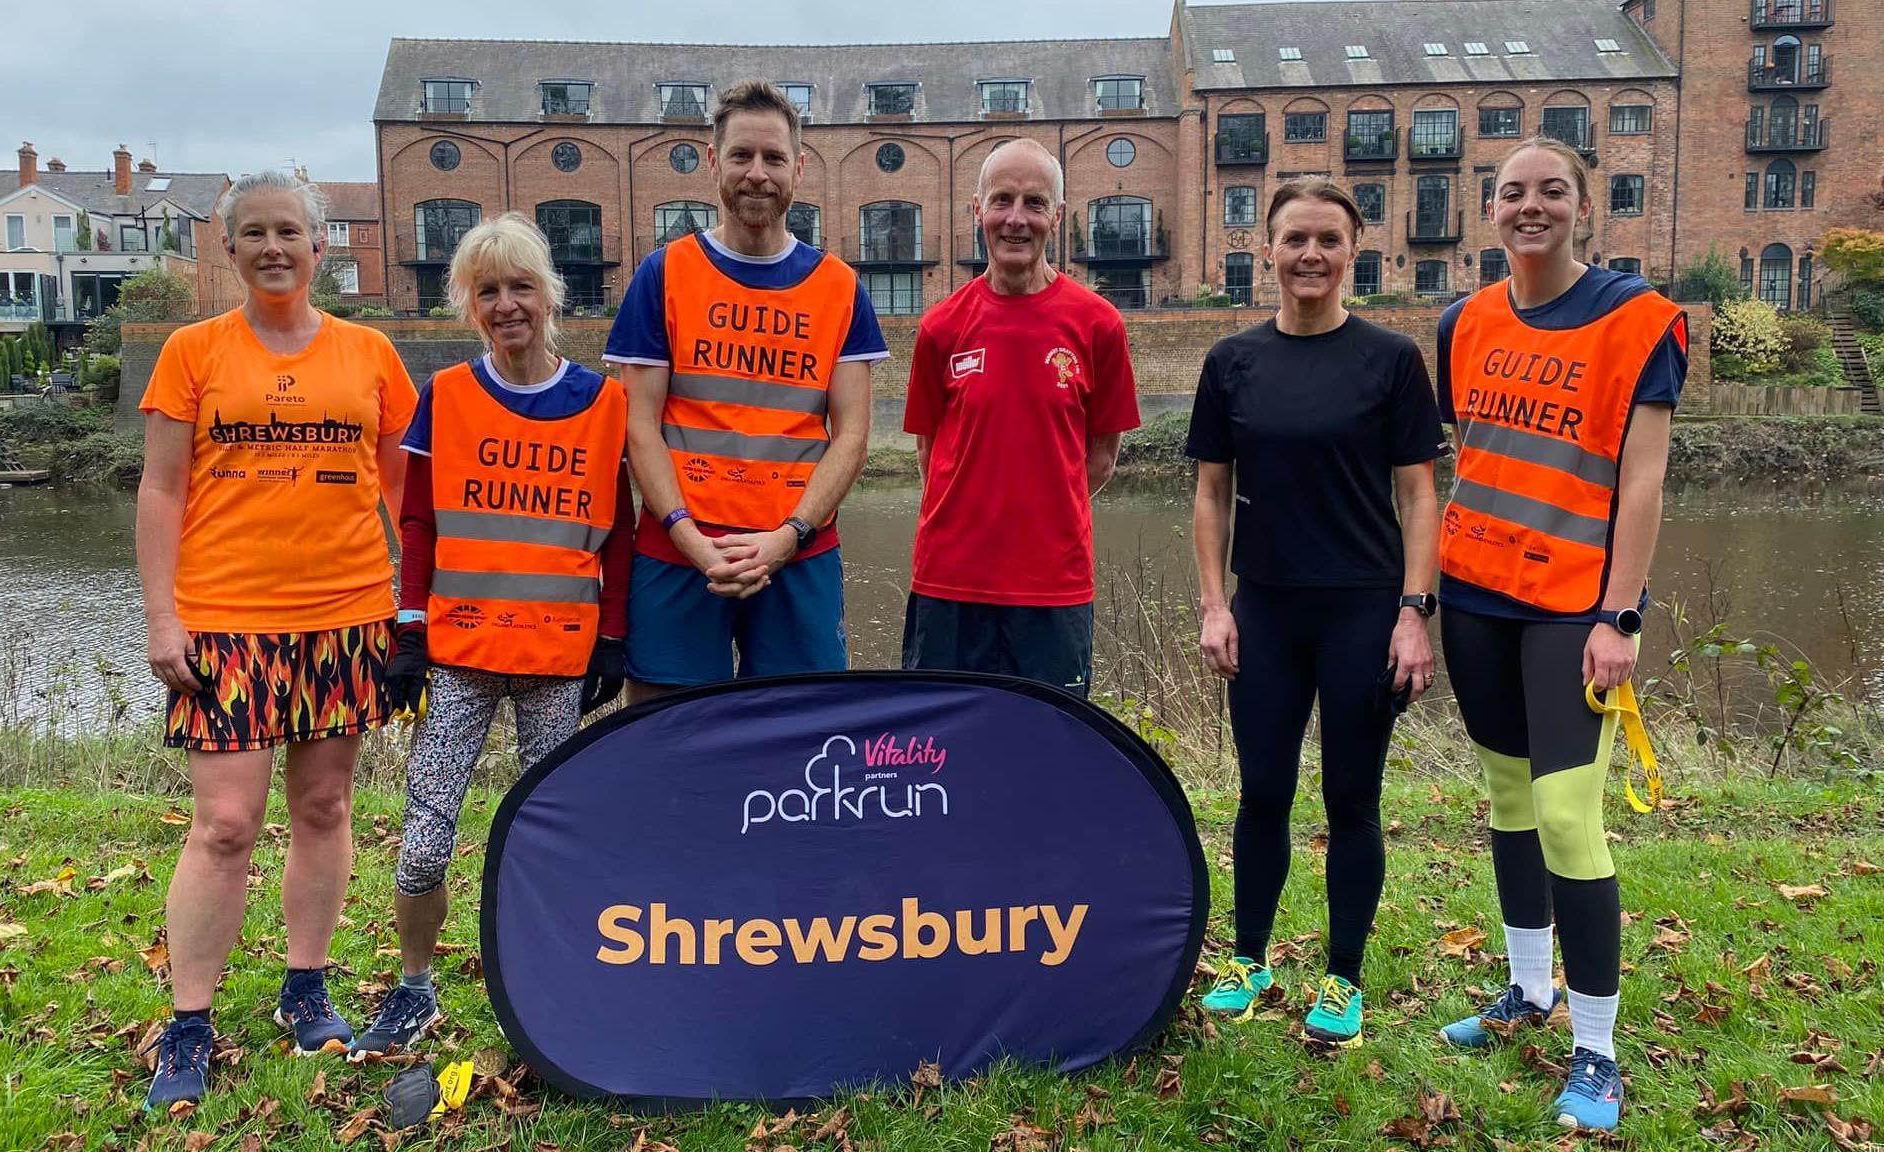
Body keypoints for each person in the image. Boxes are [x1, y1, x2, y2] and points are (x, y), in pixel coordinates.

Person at [135, 171, 417, 1108]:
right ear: (229, 249)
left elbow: (401, 494)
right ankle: (188, 1024)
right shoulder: (191, 351)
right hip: (227, 619)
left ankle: (307, 985)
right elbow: (163, 489)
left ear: (319, 244)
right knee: (223, 827)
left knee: (327, 809)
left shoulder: (371, 353)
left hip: (345, 614)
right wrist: (162, 615)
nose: (273, 248)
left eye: (288, 231)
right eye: (253, 233)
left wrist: (411, 606)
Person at [1432, 137, 1685, 1135]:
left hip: (1571, 607)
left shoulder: (1635, 320)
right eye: (1510, 193)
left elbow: (1643, 481)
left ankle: (1596, 1047)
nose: (1527, 206)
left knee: (1568, 816)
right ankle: (1526, 990)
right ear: (1487, 211)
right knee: (1505, 796)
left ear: (1580, 207)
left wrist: (1618, 615)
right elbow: (1470, 453)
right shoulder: (1462, 322)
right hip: (1473, 594)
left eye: (1549, 191)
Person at [348, 213, 633, 1060]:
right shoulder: (448, 397)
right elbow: (418, 521)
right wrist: (406, 634)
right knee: (424, 845)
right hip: (462, 658)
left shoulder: (603, 402)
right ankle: (414, 990)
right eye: (487, 292)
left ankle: (560, 988)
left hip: (556, 662)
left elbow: (617, 534)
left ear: (550, 297)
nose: (507, 305)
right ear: (469, 306)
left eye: (520, 288)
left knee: (553, 838)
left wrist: (612, 638)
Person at [1187, 177, 1444, 1049]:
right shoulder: (1232, 362)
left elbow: (1419, 495)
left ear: (1352, 252)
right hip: (1264, 610)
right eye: (1294, 238)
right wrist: (1215, 605)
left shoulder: (1391, 360)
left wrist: (1415, 612)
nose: (1310, 255)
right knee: (1262, 791)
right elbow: (1212, 493)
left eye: (1328, 241)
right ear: (1266, 251)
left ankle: (1342, 979)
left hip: (1362, 611)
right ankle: (1250, 962)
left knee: (1351, 799)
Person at [604, 79, 887, 697]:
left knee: (800, 740)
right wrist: (689, 538)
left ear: (799, 168)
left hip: (797, 553)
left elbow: (853, 435)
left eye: (774, 158)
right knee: (664, 734)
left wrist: (786, 539)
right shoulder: (664, 274)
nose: (757, 173)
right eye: (741, 156)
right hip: (681, 551)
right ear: (713, 163)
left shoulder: (839, 287)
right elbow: (638, 427)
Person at [899, 139, 1139, 695]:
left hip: (1053, 588)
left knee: (1050, 756)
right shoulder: (941, 326)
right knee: (941, 753)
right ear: (977, 210)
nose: (1015, 219)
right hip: (949, 585)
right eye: (1002, 200)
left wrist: (1045, 511)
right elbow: (928, 453)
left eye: (1034, 203)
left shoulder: (1098, 325)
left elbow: (1101, 456)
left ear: (1056, 216)